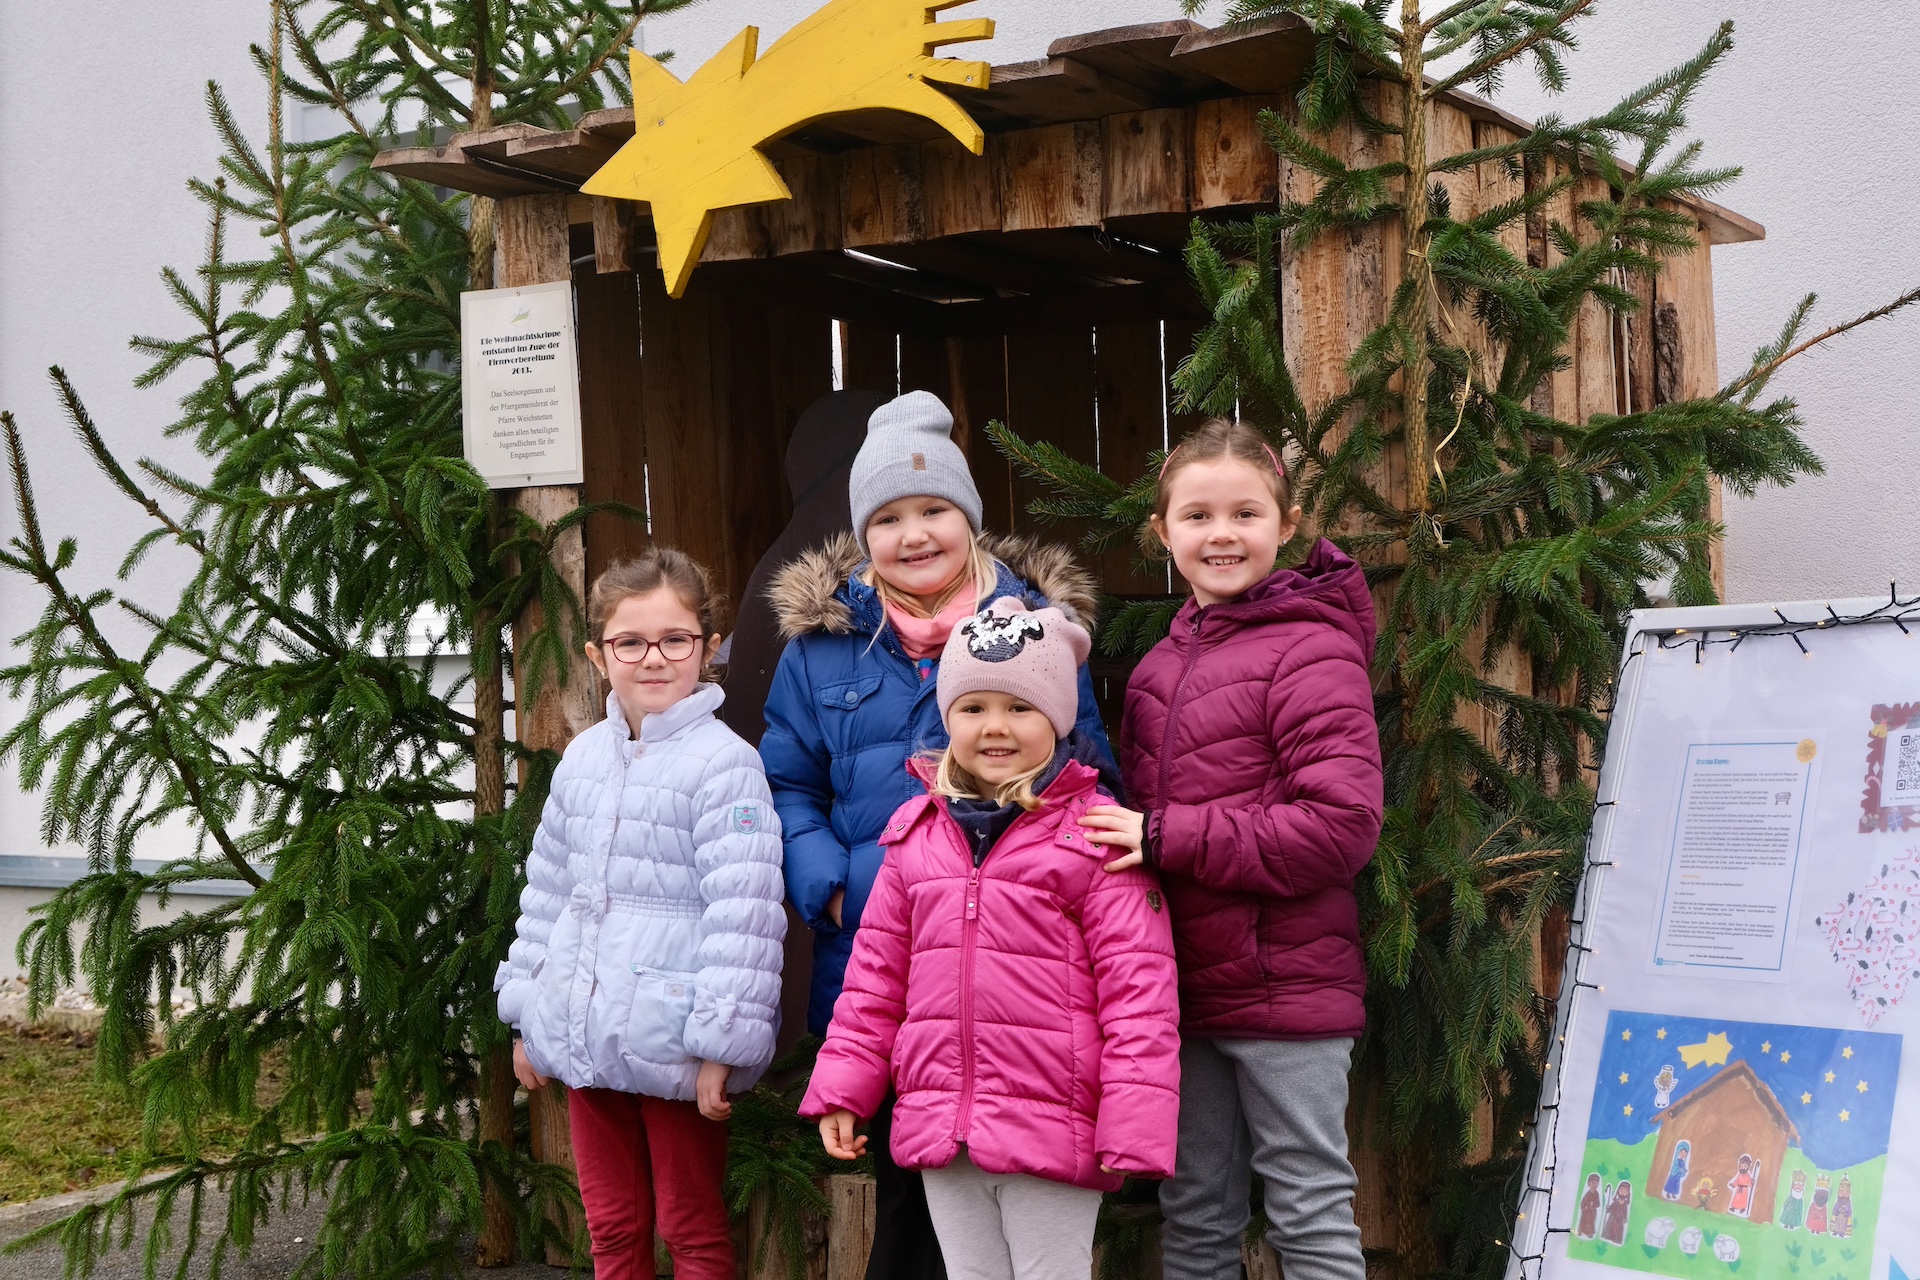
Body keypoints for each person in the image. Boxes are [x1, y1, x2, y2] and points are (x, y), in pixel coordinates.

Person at [762, 390, 1114, 1280]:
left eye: (934, 511)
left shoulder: (1036, 632)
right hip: (878, 958)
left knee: (1003, 1207)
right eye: (888, 518)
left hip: (1016, 975)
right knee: (910, 1196)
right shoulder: (824, 646)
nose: (913, 534)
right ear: (862, 532)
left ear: (970, 518)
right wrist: (834, 885)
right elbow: (788, 783)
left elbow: (1091, 778)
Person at [799, 598, 1180, 1280]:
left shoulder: (1096, 837)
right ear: (948, 719)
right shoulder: (916, 835)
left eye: (1019, 708)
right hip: (943, 1125)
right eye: (973, 708)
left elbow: (1140, 998)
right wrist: (843, 1090)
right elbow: (873, 986)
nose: (994, 728)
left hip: (1054, 1129)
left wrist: (1134, 1123)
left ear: (1059, 718)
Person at [1095, 420, 1383, 1280]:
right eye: (1198, 516)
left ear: (1286, 525)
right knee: (1193, 1215)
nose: (1221, 534)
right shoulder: (1155, 671)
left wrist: (1164, 836)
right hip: (1181, 993)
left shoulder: (1312, 649)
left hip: (1288, 992)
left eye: (1245, 513)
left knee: (1307, 1206)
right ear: (1163, 531)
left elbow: (1340, 828)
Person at [494, 549, 786, 1280]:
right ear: (598, 653)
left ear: (707, 647)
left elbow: (744, 916)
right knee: (614, 1229)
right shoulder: (583, 760)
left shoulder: (726, 766)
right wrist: (530, 1015)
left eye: (674, 639)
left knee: (691, 1228)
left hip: (678, 1043)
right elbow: (547, 897)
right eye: (630, 642)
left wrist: (724, 1043)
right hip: (589, 1036)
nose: (653, 658)